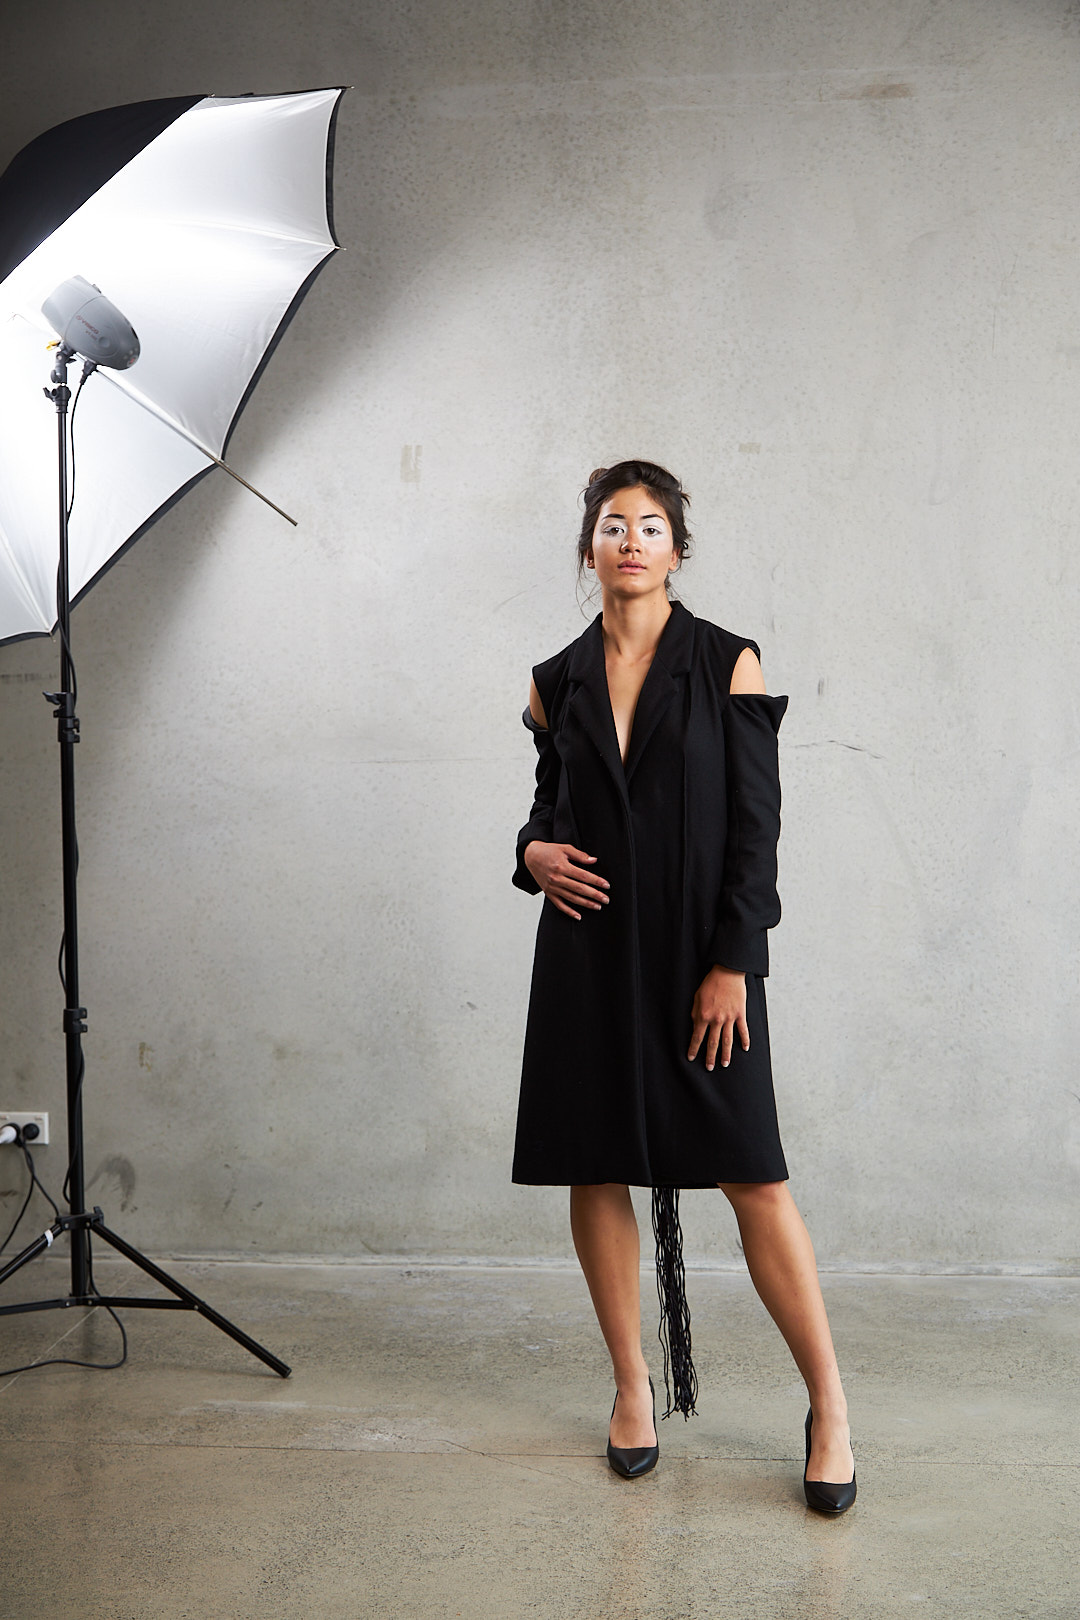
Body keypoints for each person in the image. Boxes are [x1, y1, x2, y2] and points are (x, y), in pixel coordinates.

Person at [511, 461, 856, 1512]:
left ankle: (830, 1407)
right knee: (595, 1168)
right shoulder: (556, 680)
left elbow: (757, 833)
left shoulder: (726, 662)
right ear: (589, 549)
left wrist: (734, 964)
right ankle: (631, 1388)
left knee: (754, 1177)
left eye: (651, 526)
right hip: (586, 959)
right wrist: (530, 852)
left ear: (675, 549)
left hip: (701, 961)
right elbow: (548, 806)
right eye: (614, 525)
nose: (632, 541)